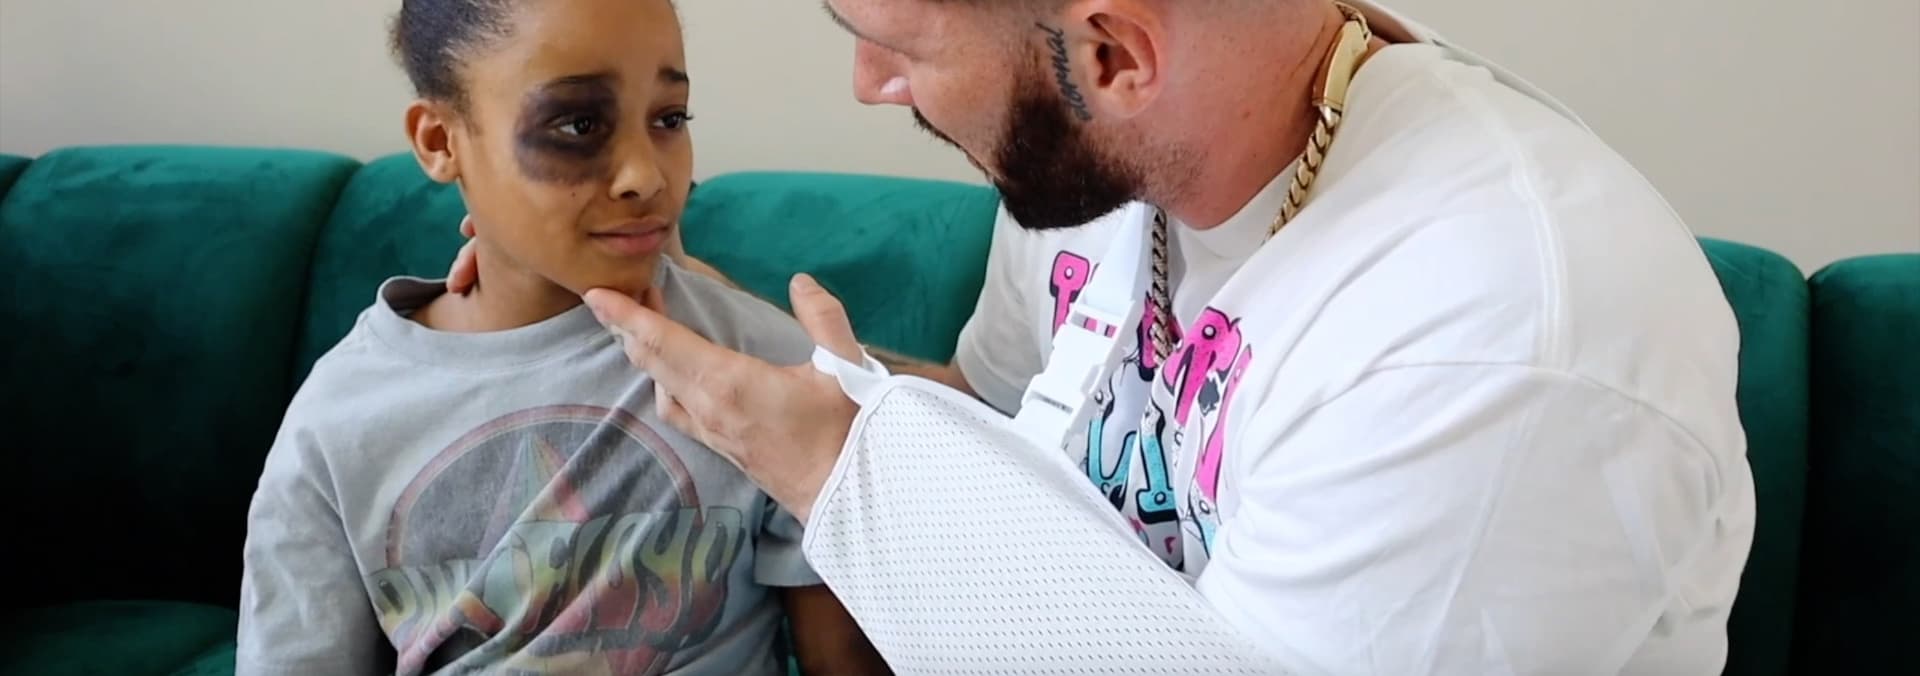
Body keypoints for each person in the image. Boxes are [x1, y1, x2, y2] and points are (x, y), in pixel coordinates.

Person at [463, 0, 1754, 673]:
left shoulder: (1493, 349)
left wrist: (834, 474)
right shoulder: (1114, 161)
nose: (871, 86)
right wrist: (712, 326)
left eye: (896, 46)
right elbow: (1010, 427)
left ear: (1114, 54)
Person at [234, 0, 888, 674]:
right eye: (578, 125)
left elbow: (845, 661)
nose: (647, 176)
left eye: (669, 118)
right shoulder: (340, 417)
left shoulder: (773, 377)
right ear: (441, 141)